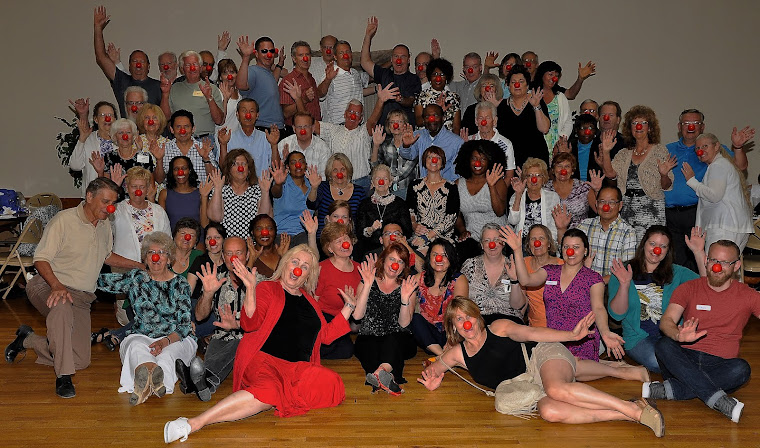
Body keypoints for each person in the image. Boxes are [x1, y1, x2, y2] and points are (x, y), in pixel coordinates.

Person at [163, 245, 356, 443]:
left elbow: (326, 336)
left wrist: (349, 307)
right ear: (285, 264)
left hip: (297, 369)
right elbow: (250, 322)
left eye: (305, 266)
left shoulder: (310, 301)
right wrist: (250, 289)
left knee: (334, 386)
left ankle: (275, 396)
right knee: (270, 390)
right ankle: (194, 422)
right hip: (265, 361)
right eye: (295, 262)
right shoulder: (268, 288)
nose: (298, 268)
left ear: (308, 275)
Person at [418, 297, 663, 437]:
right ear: (453, 327)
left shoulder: (499, 327)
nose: (465, 322)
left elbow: (532, 331)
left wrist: (571, 335)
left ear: (477, 316)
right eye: (458, 319)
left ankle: (632, 410)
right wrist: (431, 381)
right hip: (530, 386)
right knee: (550, 412)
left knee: (557, 388)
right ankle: (629, 411)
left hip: (540, 356)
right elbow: (434, 369)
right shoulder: (457, 354)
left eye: (467, 315)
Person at [5, 178, 145, 398]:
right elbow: (40, 259)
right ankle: (63, 378)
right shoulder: (64, 220)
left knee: (79, 360)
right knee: (61, 307)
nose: (110, 208)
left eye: (113, 203)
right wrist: (56, 285)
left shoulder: (105, 224)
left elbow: (107, 256)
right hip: (47, 285)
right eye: (105, 201)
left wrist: (139, 265)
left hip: (81, 297)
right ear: (89, 197)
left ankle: (27, 339)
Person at [645, 240, 760, 423]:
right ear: (706, 261)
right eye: (713, 260)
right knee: (664, 344)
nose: (716, 267)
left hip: (720, 365)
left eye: (724, 262)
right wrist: (677, 334)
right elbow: (667, 321)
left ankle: (671, 389)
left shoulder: (748, 295)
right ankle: (718, 400)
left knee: (742, 369)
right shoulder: (688, 288)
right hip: (683, 359)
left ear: (737, 266)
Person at [95, 232, 196, 405]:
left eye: (162, 253)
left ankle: (144, 386)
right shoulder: (136, 278)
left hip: (175, 338)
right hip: (142, 334)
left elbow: (185, 325)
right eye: (151, 252)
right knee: (135, 347)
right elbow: (102, 281)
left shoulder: (181, 284)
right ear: (145, 258)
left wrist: (163, 342)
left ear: (169, 258)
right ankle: (151, 380)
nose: (156, 257)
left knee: (167, 356)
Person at [504, 226, 624, 362]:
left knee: (571, 365)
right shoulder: (549, 271)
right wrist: (517, 250)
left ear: (585, 251)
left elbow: (598, 308)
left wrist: (605, 332)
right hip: (554, 340)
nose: (570, 251)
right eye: (566, 247)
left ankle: (614, 370)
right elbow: (526, 280)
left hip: (581, 339)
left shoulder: (594, 278)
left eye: (576, 247)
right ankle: (613, 368)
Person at [609, 225, 705, 373]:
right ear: (644, 244)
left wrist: (698, 253)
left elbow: (705, 286)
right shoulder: (624, 270)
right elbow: (617, 314)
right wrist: (624, 285)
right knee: (659, 362)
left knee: (687, 360)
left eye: (662, 246)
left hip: (671, 335)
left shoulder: (677, 272)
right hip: (639, 338)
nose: (656, 250)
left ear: (667, 251)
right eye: (652, 244)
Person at [664, 109, 751, 269]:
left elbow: (741, 167)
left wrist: (738, 147)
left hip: (708, 217)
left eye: (695, 123)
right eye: (686, 123)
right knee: (679, 261)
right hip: (674, 215)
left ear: (702, 127)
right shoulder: (667, 149)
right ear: (679, 126)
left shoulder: (719, 161)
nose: (691, 127)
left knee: (711, 264)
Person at [177, 236, 248, 402]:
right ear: (223, 257)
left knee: (241, 342)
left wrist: (238, 325)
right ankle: (203, 384)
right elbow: (200, 316)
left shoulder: (259, 281)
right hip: (221, 338)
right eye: (229, 253)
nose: (234, 258)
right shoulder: (215, 279)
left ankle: (193, 381)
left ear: (247, 255)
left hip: (249, 339)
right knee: (215, 354)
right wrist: (208, 293)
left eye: (239, 253)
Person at [597, 105, 675, 241]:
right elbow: (610, 174)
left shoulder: (659, 151)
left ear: (650, 128)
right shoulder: (624, 153)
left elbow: (666, 186)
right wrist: (606, 151)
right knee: (629, 248)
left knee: (649, 248)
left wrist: (663, 174)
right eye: (634, 123)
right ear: (630, 128)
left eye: (643, 123)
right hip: (627, 207)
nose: (638, 126)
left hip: (651, 209)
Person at [352, 244, 418, 395]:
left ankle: (377, 374)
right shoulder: (367, 280)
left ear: (404, 267)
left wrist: (404, 298)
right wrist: (367, 285)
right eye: (392, 259)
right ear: (383, 260)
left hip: (399, 339)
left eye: (400, 261)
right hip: (369, 337)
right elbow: (357, 316)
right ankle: (388, 377)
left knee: (393, 340)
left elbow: (404, 324)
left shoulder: (407, 287)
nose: (395, 264)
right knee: (370, 347)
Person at [111, 167, 172, 321]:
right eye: (134, 186)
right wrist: (112, 188)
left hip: (153, 271)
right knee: (126, 319)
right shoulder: (117, 209)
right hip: (124, 269)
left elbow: (168, 242)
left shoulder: (158, 211)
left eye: (142, 186)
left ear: (147, 189)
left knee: (150, 314)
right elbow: (101, 213)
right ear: (126, 188)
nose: (138, 190)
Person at [314, 84, 397, 191]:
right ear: (345, 114)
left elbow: (373, 121)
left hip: (361, 184)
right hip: (339, 183)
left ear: (361, 118)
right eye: (351, 112)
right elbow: (309, 124)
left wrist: (380, 101)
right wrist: (300, 99)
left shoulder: (363, 132)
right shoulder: (332, 130)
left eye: (357, 113)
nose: (353, 116)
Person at [683, 133, 753, 252]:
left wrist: (691, 181)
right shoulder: (721, 164)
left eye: (705, 146)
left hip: (724, 228)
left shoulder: (718, 165)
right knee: (728, 268)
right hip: (730, 227)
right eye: (697, 148)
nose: (700, 151)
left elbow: (714, 195)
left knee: (717, 266)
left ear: (716, 146)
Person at [93, 6, 160, 117]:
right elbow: (101, 58)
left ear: (148, 66)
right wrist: (98, 28)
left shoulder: (158, 86)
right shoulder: (121, 81)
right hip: (127, 133)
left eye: (142, 62)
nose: (138, 65)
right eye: (134, 61)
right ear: (129, 66)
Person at [410, 239, 469, 355]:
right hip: (427, 336)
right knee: (414, 318)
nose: (439, 259)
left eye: (444, 255)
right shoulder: (420, 278)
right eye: (435, 255)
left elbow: (460, 314)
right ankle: (443, 357)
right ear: (429, 257)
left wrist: (451, 342)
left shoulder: (459, 280)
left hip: (451, 333)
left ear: (450, 259)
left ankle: (443, 355)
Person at [361, 16, 421, 126]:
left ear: (408, 60)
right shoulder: (384, 74)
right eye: (396, 56)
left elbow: (411, 100)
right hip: (383, 130)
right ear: (391, 59)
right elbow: (365, 62)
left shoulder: (414, 78)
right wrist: (368, 36)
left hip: (405, 130)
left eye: (403, 56)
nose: (399, 60)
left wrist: (400, 99)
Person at [161, 51, 224, 153]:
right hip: (179, 142)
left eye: (195, 64)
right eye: (188, 65)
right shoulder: (174, 88)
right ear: (182, 69)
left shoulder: (211, 88)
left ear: (200, 67)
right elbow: (165, 118)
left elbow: (219, 120)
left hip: (205, 142)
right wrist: (165, 93)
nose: (192, 68)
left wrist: (209, 98)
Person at [315, 222, 361, 359]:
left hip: (344, 319)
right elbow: (314, 301)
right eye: (338, 241)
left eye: (346, 238)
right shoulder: (321, 269)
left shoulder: (360, 269)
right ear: (330, 248)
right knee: (324, 345)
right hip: (323, 318)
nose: (344, 244)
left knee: (346, 351)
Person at [461, 223, 524, 324]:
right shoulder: (469, 265)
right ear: (481, 245)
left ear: (503, 243)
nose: (492, 244)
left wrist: (514, 280)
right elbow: (460, 301)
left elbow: (518, 305)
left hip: (508, 321)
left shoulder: (514, 266)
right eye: (487, 241)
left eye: (496, 240)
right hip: (477, 321)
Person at [577, 186, 637, 282]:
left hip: (612, 289)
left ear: (620, 205)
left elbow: (626, 269)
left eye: (612, 202)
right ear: (596, 204)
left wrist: (596, 283)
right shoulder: (584, 226)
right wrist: (561, 229)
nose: (606, 207)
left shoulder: (628, 232)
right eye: (602, 201)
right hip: (584, 285)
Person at [207, 149, 272, 238]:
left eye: (244, 164)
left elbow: (263, 219)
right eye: (235, 164)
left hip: (251, 244)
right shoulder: (221, 189)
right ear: (229, 169)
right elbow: (215, 218)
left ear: (249, 169)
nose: (240, 168)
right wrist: (218, 189)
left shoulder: (258, 189)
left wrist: (265, 192)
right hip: (227, 245)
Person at [406, 146, 460, 253]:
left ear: (442, 162)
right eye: (429, 157)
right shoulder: (414, 185)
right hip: (419, 235)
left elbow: (451, 219)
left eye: (438, 158)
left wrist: (428, 237)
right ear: (424, 161)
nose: (433, 160)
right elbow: (409, 210)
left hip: (443, 237)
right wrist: (414, 225)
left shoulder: (451, 187)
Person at [454, 140, 509, 242]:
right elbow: (455, 213)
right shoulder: (458, 184)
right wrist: (462, 231)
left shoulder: (498, 182)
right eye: (474, 158)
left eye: (483, 159)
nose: (478, 162)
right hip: (472, 239)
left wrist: (491, 186)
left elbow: (500, 212)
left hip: (497, 238)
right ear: (467, 160)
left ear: (489, 162)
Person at [496, 65, 550, 168]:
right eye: (513, 82)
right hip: (510, 160)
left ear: (527, 85)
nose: (517, 85)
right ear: (508, 85)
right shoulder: (502, 106)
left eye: (521, 82)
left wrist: (536, 106)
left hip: (535, 160)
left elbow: (544, 129)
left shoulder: (537, 101)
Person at [510, 224, 563, 327]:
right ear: (529, 245)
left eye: (541, 238)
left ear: (549, 243)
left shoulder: (562, 265)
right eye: (533, 239)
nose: (537, 243)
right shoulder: (523, 264)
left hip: (559, 327)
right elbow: (520, 303)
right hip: (535, 328)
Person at [356, 164, 412, 259]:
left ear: (390, 182)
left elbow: (408, 231)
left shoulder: (400, 203)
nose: (381, 181)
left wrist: (395, 234)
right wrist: (370, 229)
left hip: (395, 249)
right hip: (370, 251)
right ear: (372, 182)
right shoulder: (364, 205)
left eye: (385, 179)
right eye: (377, 178)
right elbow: (359, 233)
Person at [235, 36, 288, 136]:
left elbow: (272, 82)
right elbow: (241, 85)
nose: (268, 54)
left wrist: (280, 64)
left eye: (271, 51)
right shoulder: (253, 71)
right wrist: (246, 57)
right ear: (256, 54)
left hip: (277, 128)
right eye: (264, 51)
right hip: (263, 129)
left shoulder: (267, 74)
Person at [307, 153, 367, 239]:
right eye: (335, 170)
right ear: (330, 173)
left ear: (348, 171)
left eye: (343, 169)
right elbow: (311, 205)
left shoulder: (359, 191)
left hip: (349, 239)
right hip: (324, 239)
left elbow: (362, 220)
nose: (339, 173)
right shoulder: (323, 187)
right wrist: (314, 187)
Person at [400, 104, 464, 182]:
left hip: (446, 189)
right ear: (423, 120)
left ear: (443, 118)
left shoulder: (456, 142)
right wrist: (406, 145)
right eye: (427, 117)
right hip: (424, 187)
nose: (431, 119)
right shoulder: (417, 136)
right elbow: (409, 155)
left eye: (435, 115)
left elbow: (458, 173)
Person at [186, 223, 228, 340]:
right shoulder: (200, 261)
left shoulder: (229, 263)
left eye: (217, 237)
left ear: (224, 240)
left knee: (220, 319)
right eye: (209, 238)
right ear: (205, 242)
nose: (212, 241)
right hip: (197, 307)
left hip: (218, 310)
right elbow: (186, 292)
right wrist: (186, 318)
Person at [220, 98, 280, 178]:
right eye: (244, 111)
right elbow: (223, 168)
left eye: (252, 111)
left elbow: (276, 167)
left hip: (261, 187)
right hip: (236, 187)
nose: (248, 115)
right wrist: (223, 145)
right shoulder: (229, 138)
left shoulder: (266, 138)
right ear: (237, 114)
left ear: (257, 115)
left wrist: (274, 145)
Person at [69, 99, 117, 198]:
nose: (107, 118)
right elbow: (75, 166)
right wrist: (82, 138)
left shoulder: (122, 140)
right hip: (93, 198)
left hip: (117, 197)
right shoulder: (88, 139)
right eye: (103, 115)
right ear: (96, 119)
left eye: (111, 115)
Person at [508, 158, 563, 243]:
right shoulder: (516, 195)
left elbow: (554, 226)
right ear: (525, 179)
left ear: (543, 178)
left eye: (538, 175)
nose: (534, 179)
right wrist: (518, 195)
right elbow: (513, 221)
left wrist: (549, 244)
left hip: (544, 243)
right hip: (522, 243)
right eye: (530, 175)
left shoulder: (552, 197)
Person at [318, 40, 370, 125]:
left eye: (347, 52)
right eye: (341, 53)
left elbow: (368, 80)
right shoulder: (331, 74)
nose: (345, 55)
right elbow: (320, 94)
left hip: (358, 125)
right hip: (339, 126)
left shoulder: (355, 73)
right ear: (335, 56)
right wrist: (328, 79)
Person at [91, 119, 156, 188]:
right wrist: (100, 172)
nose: (125, 136)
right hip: (116, 197)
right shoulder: (109, 157)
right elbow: (105, 188)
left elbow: (151, 186)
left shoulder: (144, 157)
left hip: (140, 197)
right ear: (115, 136)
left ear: (133, 135)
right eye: (120, 132)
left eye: (128, 132)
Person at [544, 152, 602, 229]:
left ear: (572, 170)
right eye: (559, 166)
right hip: (552, 235)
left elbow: (599, 211)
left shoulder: (583, 187)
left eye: (567, 166)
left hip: (579, 234)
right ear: (553, 170)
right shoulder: (545, 188)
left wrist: (597, 191)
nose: (563, 170)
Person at [465, 102, 516, 187]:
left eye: (487, 118)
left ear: (494, 121)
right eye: (480, 118)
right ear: (476, 121)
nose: (483, 122)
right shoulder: (469, 141)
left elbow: (509, 174)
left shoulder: (506, 144)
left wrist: (499, 194)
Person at [370, 110, 418, 200]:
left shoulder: (413, 144)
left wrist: (387, 180)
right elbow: (375, 168)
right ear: (389, 126)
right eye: (392, 122)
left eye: (400, 122)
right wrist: (376, 145)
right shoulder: (385, 144)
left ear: (405, 124)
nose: (396, 125)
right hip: (387, 190)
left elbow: (405, 172)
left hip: (407, 190)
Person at [158, 156, 212, 233]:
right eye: (176, 169)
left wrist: (204, 197)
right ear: (172, 172)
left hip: (197, 241)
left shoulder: (201, 193)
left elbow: (205, 224)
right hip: (173, 241)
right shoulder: (164, 194)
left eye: (184, 168)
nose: (180, 172)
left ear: (189, 170)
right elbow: (161, 223)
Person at [272, 151, 314, 247]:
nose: (298, 165)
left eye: (301, 161)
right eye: (293, 162)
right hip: (282, 234)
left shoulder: (312, 183)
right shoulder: (283, 183)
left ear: (306, 165)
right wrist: (278, 184)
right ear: (288, 167)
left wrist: (315, 187)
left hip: (305, 233)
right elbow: (275, 193)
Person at [531, 61, 573, 156]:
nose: (554, 78)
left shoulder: (560, 96)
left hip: (555, 144)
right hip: (535, 143)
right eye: (550, 74)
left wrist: (562, 138)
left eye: (556, 76)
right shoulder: (531, 94)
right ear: (542, 74)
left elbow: (568, 121)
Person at [162, 110, 217, 180]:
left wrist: (206, 159)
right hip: (172, 190)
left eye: (186, 126)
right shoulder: (164, 149)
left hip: (201, 190)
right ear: (172, 130)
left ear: (193, 129)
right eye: (178, 127)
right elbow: (159, 180)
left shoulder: (203, 148)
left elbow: (215, 178)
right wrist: (159, 159)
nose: (183, 131)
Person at [414, 58, 461, 134]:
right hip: (425, 138)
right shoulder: (421, 96)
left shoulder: (454, 98)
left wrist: (455, 143)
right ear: (430, 77)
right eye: (435, 74)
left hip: (447, 139)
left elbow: (456, 127)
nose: (438, 78)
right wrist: (438, 112)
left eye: (442, 75)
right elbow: (419, 121)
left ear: (446, 78)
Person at [277, 112, 331, 178]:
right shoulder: (283, 144)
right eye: (299, 127)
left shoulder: (323, 148)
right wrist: (285, 162)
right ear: (294, 128)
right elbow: (277, 176)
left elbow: (324, 179)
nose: (303, 130)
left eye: (306, 126)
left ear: (313, 128)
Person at [279, 41, 321, 125]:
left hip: (314, 128)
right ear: (294, 59)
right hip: (296, 132)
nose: (305, 58)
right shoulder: (288, 80)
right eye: (301, 55)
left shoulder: (311, 78)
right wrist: (304, 99)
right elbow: (286, 113)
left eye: (307, 54)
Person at [246, 214, 290, 279]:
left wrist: (284, 257)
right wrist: (251, 259)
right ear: (252, 232)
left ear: (275, 232)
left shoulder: (283, 252)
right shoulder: (246, 255)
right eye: (259, 229)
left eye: (269, 228)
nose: (265, 232)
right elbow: (242, 286)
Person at [135, 104, 170, 184]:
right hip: (142, 185)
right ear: (142, 121)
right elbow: (136, 170)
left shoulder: (167, 143)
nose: (151, 121)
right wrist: (139, 151)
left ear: (160, 121)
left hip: (162, 188)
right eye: (147, 118)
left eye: (155, 118)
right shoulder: (136, 141)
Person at [215, 59, 241, 137]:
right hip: (221, 136)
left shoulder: (240, 94)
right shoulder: (217, 94)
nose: (229, 76)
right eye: (225, 73)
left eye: (232, 72)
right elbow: (220, 120)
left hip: (236, 137)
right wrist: (225, 100)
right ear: (220, 77)